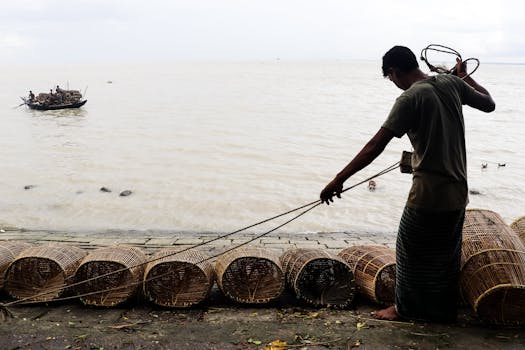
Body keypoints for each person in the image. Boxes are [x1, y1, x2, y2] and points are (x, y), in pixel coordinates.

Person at [320, 46, 495, 323]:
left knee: (408, 249)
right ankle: (441, 310)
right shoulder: (451, 84)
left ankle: (404, 308)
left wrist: (339, 179)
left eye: (391, 79)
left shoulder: (410, 98)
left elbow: (375, 145)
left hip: (428, 194)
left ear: (394, 72)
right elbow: (488, 103)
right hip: (457, 193)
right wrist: (464, 78)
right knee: (445, 256)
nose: (393, 84)